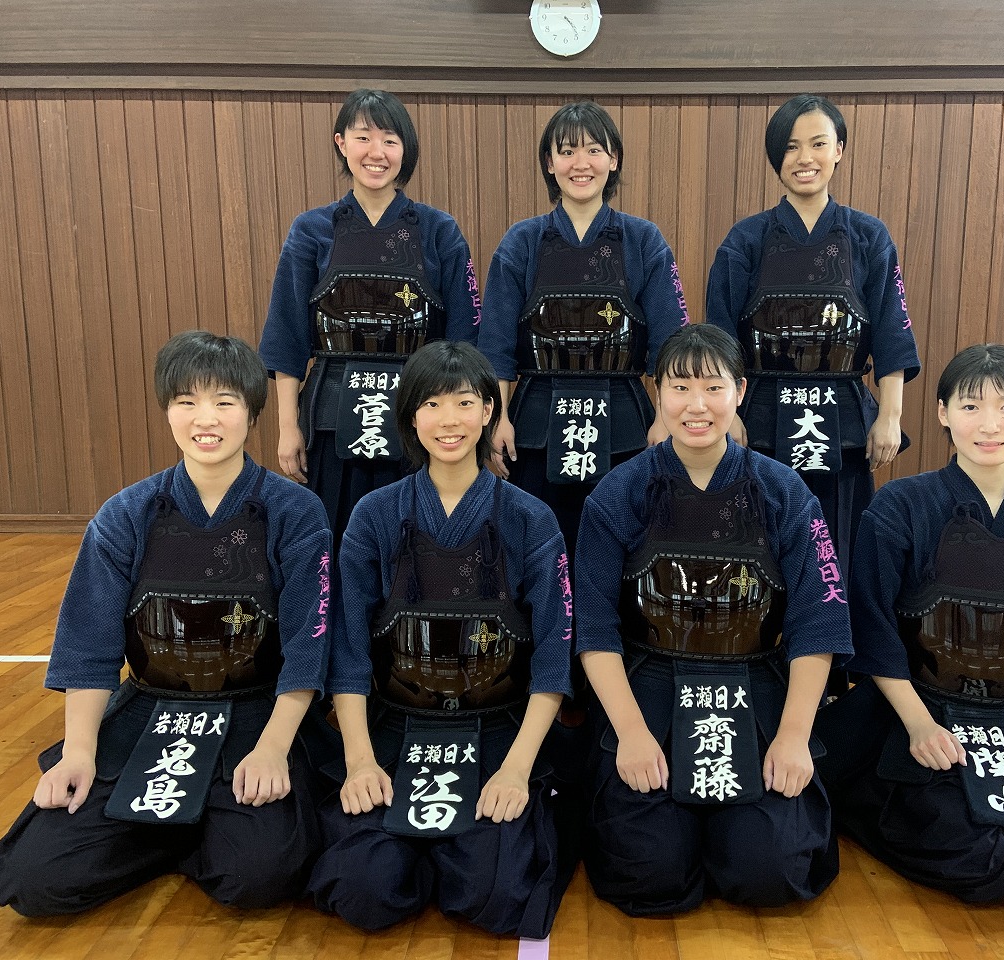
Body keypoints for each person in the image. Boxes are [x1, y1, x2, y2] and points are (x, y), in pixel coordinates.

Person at [0, 331, 332, 916]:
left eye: (224, 402)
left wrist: (274, 749)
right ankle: (185, 827)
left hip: (254, 713)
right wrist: (77, 752)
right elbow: (88, 646)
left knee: (262, 875)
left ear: (251, 412)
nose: (205, 419)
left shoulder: (295, 511)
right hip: (151, 710)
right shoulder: (125, 515)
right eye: (186, 402)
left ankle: (187, 826)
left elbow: (308, 644)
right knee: (33, 879)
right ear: (167, 410)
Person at [817, 343, 1004, 915]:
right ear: (941, 413)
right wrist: (919, 726)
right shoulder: (901, 505)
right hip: (918, 709)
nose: (989, 425)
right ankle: (863, 794)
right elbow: (873, 622)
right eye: (971, 406)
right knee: (984, 865)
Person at [574, 324, 853, 916]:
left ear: (741, 391)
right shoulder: (618, 493)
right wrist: (629, 732)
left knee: (769, 870)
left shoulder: (784, 491)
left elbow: (818, 622)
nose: (696, 406)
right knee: (649, 872)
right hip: (649, 685)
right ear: (657, 394)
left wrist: (795, 736)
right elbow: (594, 628)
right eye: (679, 387)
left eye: (713, 387)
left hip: (754, 683)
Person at [307, 341, 575, 938]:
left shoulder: (531, 519)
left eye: (464, 401)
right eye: (431, 403)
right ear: (408, 417)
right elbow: (349, 654)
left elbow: (554, 659)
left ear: (488, 412)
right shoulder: (374, 516)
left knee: (497, 895)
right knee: (364, 889)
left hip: (498, 726)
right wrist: (359, 760)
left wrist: (515, 769)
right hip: (399, 726)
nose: (448, 419)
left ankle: (450, 854)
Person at [705, 94, 920, 580]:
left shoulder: (868, 236)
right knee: (757, 540)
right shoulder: (746, 239)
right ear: (775, 157)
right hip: (760, 414)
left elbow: (891, 332)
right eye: (791, 147)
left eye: (818, 144)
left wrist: (889, 417)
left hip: (843, 416)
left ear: (839, 149)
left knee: (839, 545)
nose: (805, 158)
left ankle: (835, 654)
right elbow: (718, 339)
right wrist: (728, 414)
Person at [259, 88, 480, 547]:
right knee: (336, 541)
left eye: (390, 140)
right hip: (330, 413)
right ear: (341, 143)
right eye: (364, 137)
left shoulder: (439, 230)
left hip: (420, 413)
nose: (376, 153)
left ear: (406, 151)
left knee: (415, 542)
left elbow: (464, 341)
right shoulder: (312, 229)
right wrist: (287, 426)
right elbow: (287, 337)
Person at [479, 100, 690, 558]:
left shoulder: (643, 239)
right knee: (536, 546)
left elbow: (671, 342)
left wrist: (664, 418)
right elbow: (495, 345)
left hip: (626, 421)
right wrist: (497, 416)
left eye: (593, 150)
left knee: (623, 545)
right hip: (536, 421)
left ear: (613, 161)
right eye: (567, 151)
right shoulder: (522, 241)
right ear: (549, 163)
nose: (581, 164)